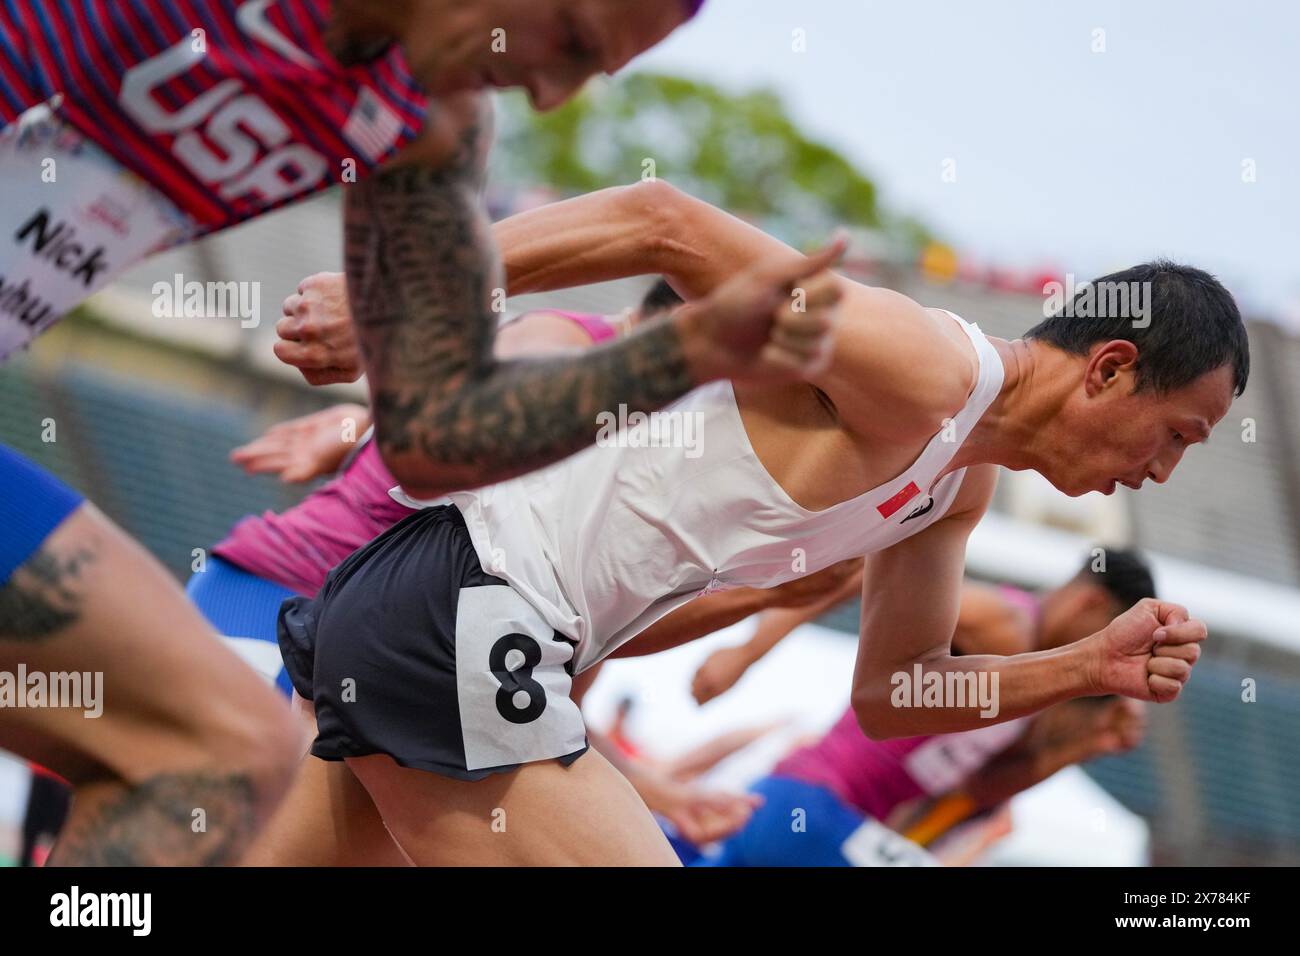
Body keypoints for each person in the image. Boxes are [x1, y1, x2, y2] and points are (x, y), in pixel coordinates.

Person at [2, 0, 820, 865]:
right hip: (307, 598)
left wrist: (687, 355)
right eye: (572, 42)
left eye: (589, 74)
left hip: (373, 641)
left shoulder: (428, 118)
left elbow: (430, 432)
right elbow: (622, 246)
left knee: (219, 753)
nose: (548, 95)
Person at [266, 182, 1238, 864]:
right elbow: (662, 222)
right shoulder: (924, 366)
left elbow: (895, 692)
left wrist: (1082, 668)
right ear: (1109, 368)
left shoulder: (958, 485)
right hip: (469, 608)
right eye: (1175, 435)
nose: (1159, 472)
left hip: (445, 620)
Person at [691, 551, 1155, 866]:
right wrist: (749, 650)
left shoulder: (1041, 687)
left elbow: (981, 789)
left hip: (807, 813)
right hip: (815, 804)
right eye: (1110, 634)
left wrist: (1087, 744)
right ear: (1090, 603)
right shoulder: (1006, 623)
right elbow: (866, 574)